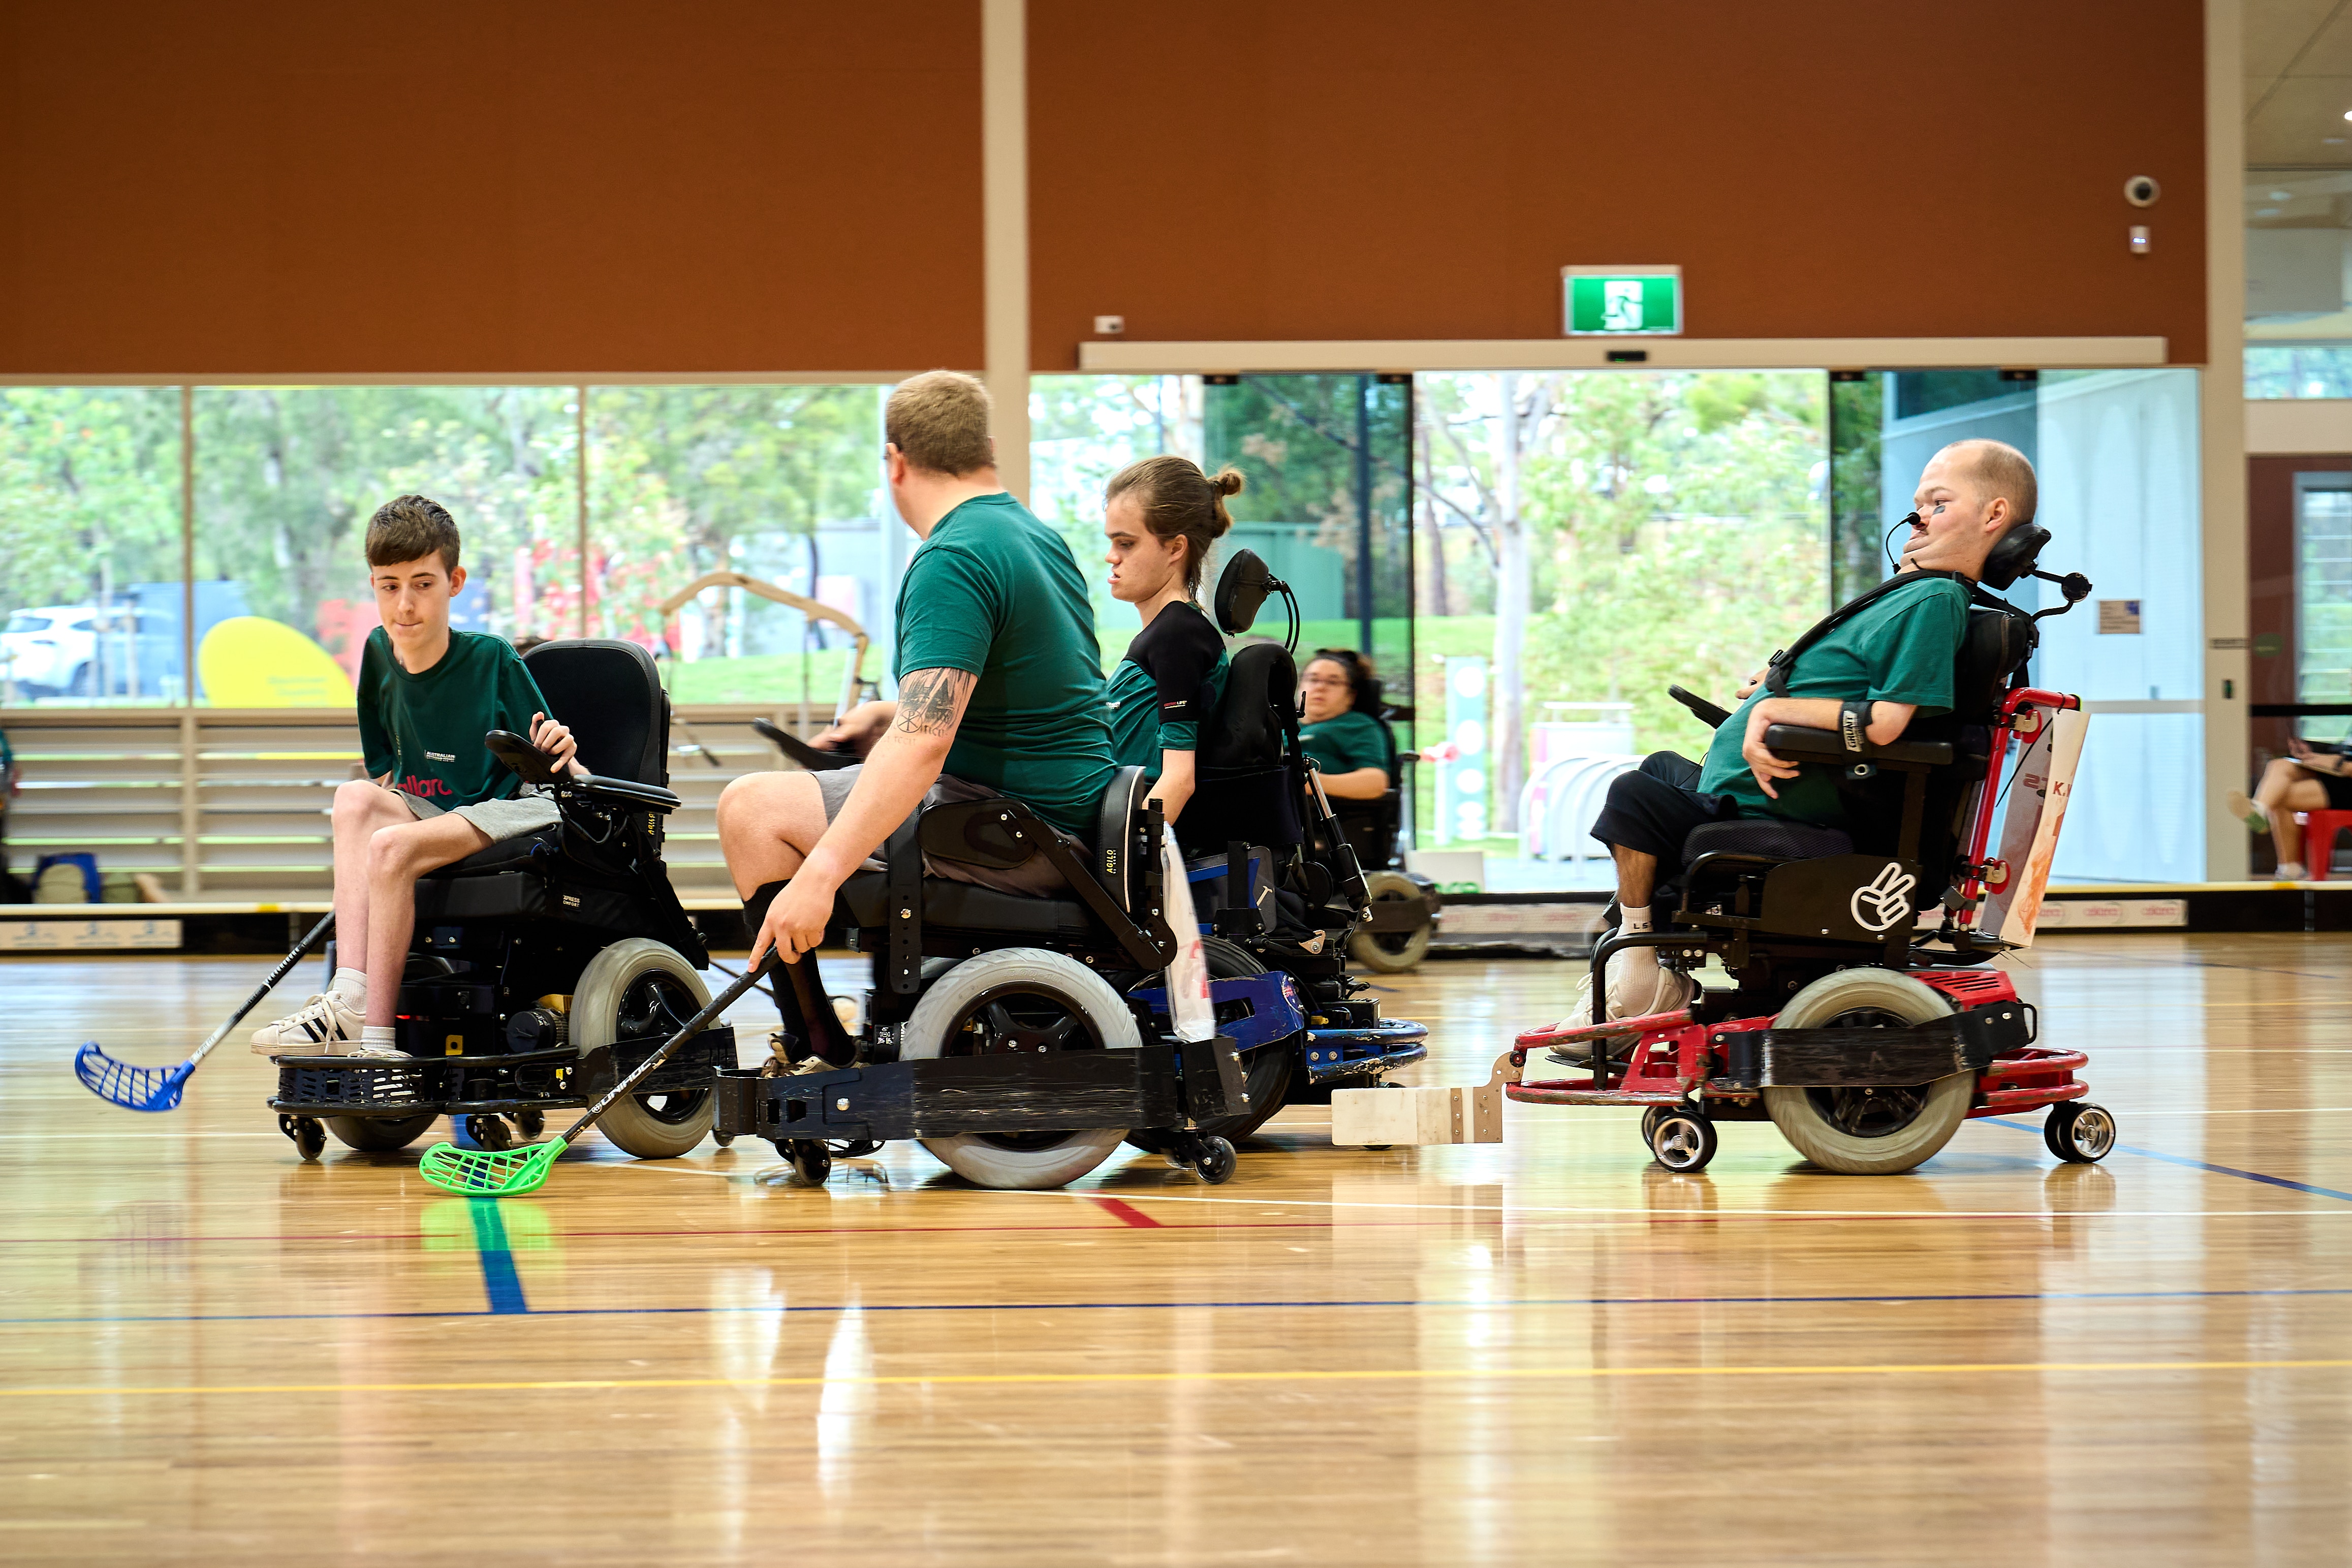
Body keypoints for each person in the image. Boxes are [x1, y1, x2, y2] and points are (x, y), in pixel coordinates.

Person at [1555, 437, 2035, 1041]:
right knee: (1659, 769)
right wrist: (1777, 687)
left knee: (1634, 796)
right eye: (1918, 503)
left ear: (1994, 516)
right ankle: (1648, 960)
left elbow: (1887, 722)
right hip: (1762, 797)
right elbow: (1853, 683)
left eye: (1938, 503)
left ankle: (1637, 969)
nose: (1916, 517)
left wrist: (1773, 711)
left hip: (1795, 818)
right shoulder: (1915, 593)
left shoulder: (1935, 598)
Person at [717, 371, 1116, 973]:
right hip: (1069, 809)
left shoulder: (953, 557)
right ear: (987, 450)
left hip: (1019, 828)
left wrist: (820, 874)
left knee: (752, 809)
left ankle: (809, 1043)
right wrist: (888, 712)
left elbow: (924, 742)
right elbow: (1022, 684)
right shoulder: (1034, 536)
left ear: (895, 462)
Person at [249, 495, 584, 1056]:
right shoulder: (378, 652)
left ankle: (378, 1041)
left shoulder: (493, 658)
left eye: (423, 584)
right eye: (389, 585)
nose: (405, 604)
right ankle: (348, 999)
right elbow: (384, 773)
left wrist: (567, 749)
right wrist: (361, 860)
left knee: (390, 847)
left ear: (455, 582)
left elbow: (560, 765)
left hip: (509, 807)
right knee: (353, 801)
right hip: (435, 810)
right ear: (374, 585)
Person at [1102, 456, 1241, 825]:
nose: (1110, 556)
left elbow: (1178, 779)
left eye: (1126, 543)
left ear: (1175, 548)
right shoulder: (1167, 632)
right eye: (1112, 542)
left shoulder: (1178, 634)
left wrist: (1119, 865)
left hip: (1120, 841)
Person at [2228, 735, 2352, 879]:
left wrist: (2337, 763)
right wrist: (2313, 754)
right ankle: (2259, 809)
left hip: (2346, 779)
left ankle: (2290, 869)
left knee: (2280, 796)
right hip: (2336, 771)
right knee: (2279, 765)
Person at [1297, 649, 1391, 800]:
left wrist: (1307, 782)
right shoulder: (1277, 724)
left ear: (1351, 695)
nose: (1320, 688)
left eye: (1333, 682)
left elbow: (1375, 782)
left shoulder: (1358, 726)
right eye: (1313, 679)